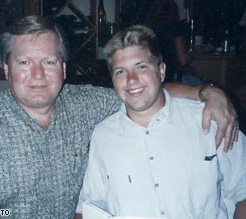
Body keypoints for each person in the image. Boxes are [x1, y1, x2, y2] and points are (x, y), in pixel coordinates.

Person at [0, 15, 239, 219]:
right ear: (6, 70)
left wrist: (209, 92)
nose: (38, 74)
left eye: (49, 62)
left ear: (64, 68)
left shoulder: (86, 105)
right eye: (25, 62)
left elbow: (141, 93)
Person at [76, 25, 246, 219]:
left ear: (161, 71)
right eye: (120, 72)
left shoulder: (209, 119)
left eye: (141, 67)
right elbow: (88, 207)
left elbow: (243, 190)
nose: (132, 80)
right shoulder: (103, 136)